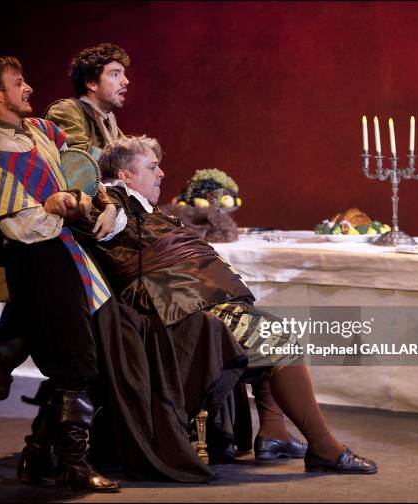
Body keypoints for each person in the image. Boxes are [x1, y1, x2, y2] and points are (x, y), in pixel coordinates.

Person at [0, 57, 248, 489]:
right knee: (57, 355)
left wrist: (98, 201)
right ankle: (33, 451)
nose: (28, 87)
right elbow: (22, 226)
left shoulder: (42, 133)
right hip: (38, 267)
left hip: (70, 261)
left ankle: (11, 445)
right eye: (18, 83)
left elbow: (85, 174)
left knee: (18, 346)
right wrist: (56, 207)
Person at [48, 43, 305, 462]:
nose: (125, 80)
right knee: (15, 345)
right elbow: (80, 169)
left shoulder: (111, 125)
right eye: (115, 73)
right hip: (142, 296)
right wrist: (103, 194)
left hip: (154, 267)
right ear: (91, 81)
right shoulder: (70, 115)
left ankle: (274, 431)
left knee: (261, 322)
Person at [72, 136, 379, 474]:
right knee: (277, 338)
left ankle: (274, 434)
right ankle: (325, 448)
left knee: (268, 324)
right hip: (177, 314)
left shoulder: (146, 211)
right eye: (152, 167)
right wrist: (112, 197)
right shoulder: (116, 204)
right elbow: (98, 201)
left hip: (194, 302)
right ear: (126, 177)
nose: (161, 174)